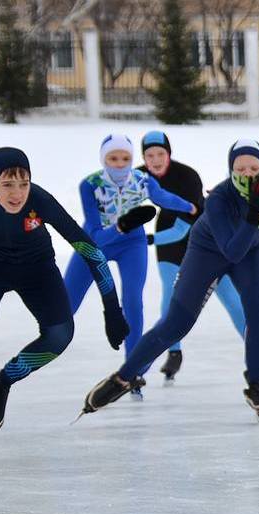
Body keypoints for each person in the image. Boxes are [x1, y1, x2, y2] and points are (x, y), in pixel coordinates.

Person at [0, 147, 128, 461]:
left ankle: (2, 383)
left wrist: (112, 309)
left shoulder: (40, 201)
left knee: (60, 334)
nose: (17, 194)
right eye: (7, 184)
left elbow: (91, 251)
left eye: (23, 183)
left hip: (37, 268)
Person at [81, 140, 259, 420]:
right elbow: (231, 250)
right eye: (240, 167)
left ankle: (256, 385)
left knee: (258, 314)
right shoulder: (219, 198)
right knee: (177, 323)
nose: (247, 173)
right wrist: (256, 215)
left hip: (251, 251)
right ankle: (122, 377)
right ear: (230, 168)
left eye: (254, 168)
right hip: (209, 250)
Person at [63, 133, 196, 398]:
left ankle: (133, 369)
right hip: (95, 241)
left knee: (133, 300)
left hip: (131, 244)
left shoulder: (142, 180)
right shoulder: (89, 184)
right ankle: (47, 338)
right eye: (113, 158)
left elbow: (164, 198)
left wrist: (190, 206)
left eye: (125, 158)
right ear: (104, 159)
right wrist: (121, 226)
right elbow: (95, 230)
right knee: (67, 304)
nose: (120, 164)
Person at [138, 130, 256, 384]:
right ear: (144, 157)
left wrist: (148, 240)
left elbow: (183, 228)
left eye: (161, 154)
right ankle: (173, 352)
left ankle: (258, 353)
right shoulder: (138, 177)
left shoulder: (187, 176)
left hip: (204, 244)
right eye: (150, 155)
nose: (156, 160)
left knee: (232, 299)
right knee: (170, 298)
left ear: (169, 154)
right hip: (169, 245)